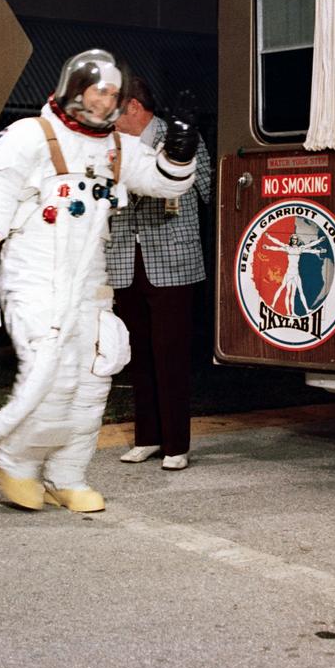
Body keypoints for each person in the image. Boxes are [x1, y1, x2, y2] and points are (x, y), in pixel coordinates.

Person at [0, 48, 198, 513]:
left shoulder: (115, 146)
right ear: (76, 90)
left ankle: (67, 475)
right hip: (36, 278)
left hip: (90, 281)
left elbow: (165, 182)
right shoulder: (27, 137)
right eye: (99, 91)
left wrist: (179, 151)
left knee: (96, 376)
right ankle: (15, 460)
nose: (105, 101)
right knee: (53, 379)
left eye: (114, 94)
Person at [107, 77, 212, 471]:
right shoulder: (110, 144)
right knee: (138, 355)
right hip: (124, 261)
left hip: (172, 262)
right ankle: (147, 438)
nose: (109, 120)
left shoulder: (179, 136)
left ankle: (176, 445)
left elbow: (208, 189)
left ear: (133, 107)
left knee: (171, 355)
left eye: (114, 111)